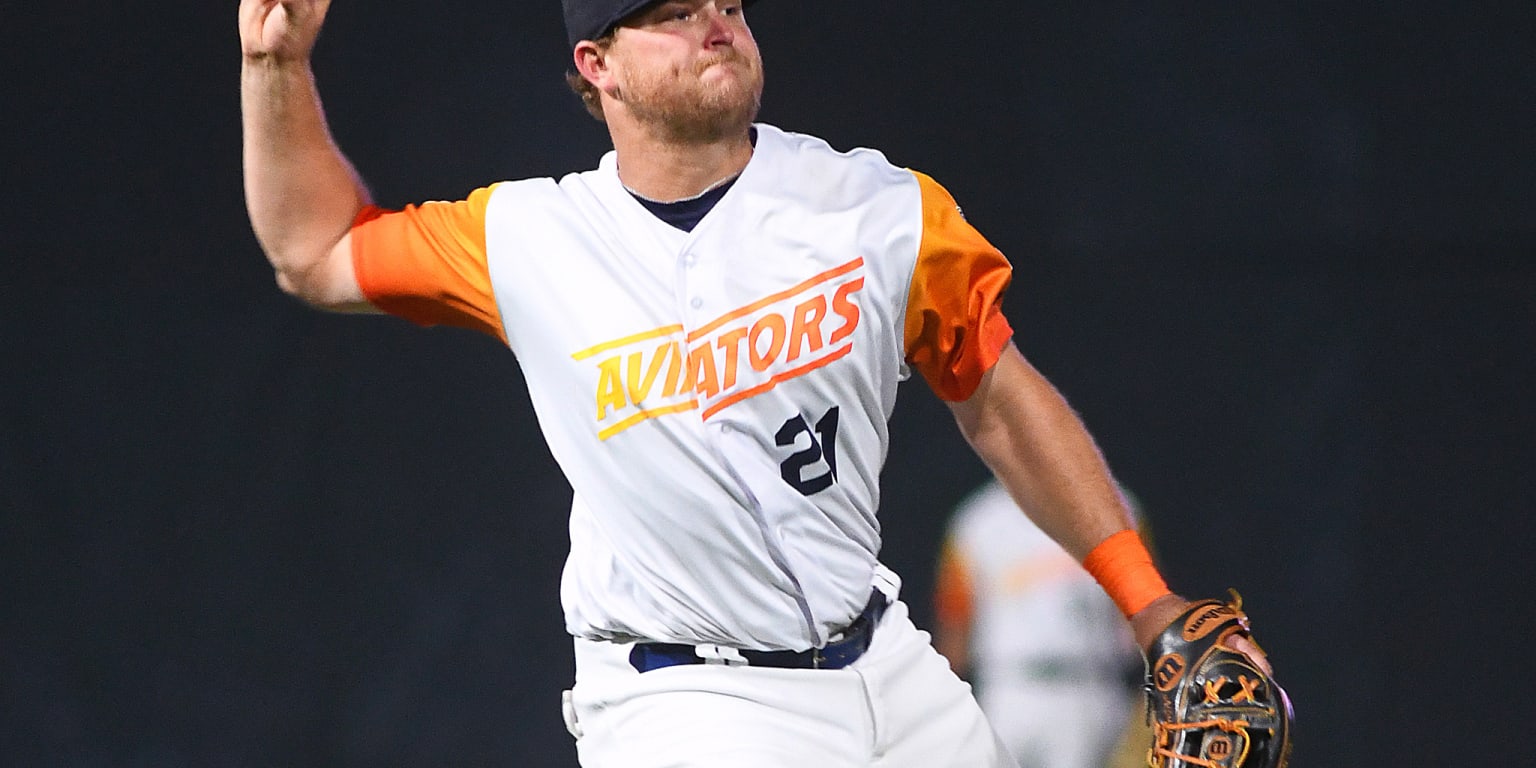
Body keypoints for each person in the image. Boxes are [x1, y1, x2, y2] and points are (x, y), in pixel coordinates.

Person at [238, 1, 1273, 766]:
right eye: (671, 15)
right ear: (595, 66)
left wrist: (1148, 607)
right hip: (683, 697)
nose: (714, 22)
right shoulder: (525, 238)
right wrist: (273, 66)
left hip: (889, 666)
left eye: (722, 3)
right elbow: (313, 249)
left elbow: (998, 397)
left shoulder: (874, 207)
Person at [933, 479, 1147, 768]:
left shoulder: (1118, 508)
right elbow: (956, 625)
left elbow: (1141, 611)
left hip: (1088, 686)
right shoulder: (978, 518)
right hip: (1010, 685)